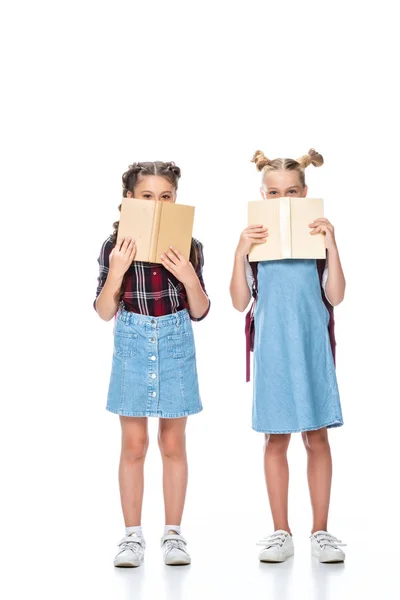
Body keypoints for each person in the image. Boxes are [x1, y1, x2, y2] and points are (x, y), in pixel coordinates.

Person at [230, 149, 346, 563]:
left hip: (312, 347)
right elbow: (238, 302)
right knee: (275, 437)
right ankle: (281, 531)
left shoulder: (318, 240)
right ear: (263, 195)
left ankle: (321, 531)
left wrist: (331, 245)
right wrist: (240, 251)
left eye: (292, 192)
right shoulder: (255, 243)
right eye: (274, 192)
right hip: (273, 349)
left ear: (305, 192)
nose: (284, 200)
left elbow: (335, 296)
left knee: (317, 436)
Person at [94, 161, 210, 568]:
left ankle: (174, 535)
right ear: (130, 200)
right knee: (134, 444)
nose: (157, 205)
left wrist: (188, 275)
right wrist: (118, 271)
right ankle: (131, 536)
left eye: (166, 197)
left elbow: (199, 310)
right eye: (147, 197)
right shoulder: (114, 247)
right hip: (132, 340)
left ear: (175, 200)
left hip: (176, 340)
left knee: (173, 443)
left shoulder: (189, 245)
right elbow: (104, 311)